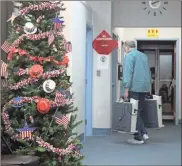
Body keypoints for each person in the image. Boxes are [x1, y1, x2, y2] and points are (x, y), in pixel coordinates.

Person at [122, 40, 151, 144]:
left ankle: (138, 137)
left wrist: (126, 89)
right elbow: (148, 72)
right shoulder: (143, 56)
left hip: (134, 88)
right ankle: (144, 133)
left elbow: (128, 73)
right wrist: (149, 88)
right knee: (138, 111)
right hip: (144, 87)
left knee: (134, 112)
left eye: (124, 47)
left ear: (127, 47)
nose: (124, 49)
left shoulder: (129, 56)